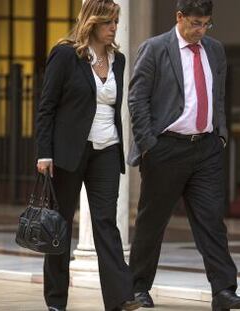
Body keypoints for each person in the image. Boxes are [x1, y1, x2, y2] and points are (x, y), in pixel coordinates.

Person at [127, 0, 240, 310]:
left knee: (211, 220)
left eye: (206, 24)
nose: (200, 30)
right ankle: (137, 287)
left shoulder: (215, 49)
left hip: (206, 148)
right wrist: (148, 145)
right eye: (195, 23)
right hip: (165, 148)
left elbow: (218, 95)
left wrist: (220, 134)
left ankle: (224, 291)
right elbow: (137, 98)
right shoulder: (155, 48)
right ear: (180, 17)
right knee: (152, 221)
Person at [35, 0, 141, 310]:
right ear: (92, 22)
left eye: (116, 22)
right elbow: (46, 107)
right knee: (60, 225)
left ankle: (120, 297)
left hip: (106, 150)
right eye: (108, 22)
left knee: (106, 222)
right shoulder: (67, 55)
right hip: (68, 153)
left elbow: (112, 106)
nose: (114, 28)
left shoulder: (117, 59)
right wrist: (44, 152)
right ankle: (56, 301)